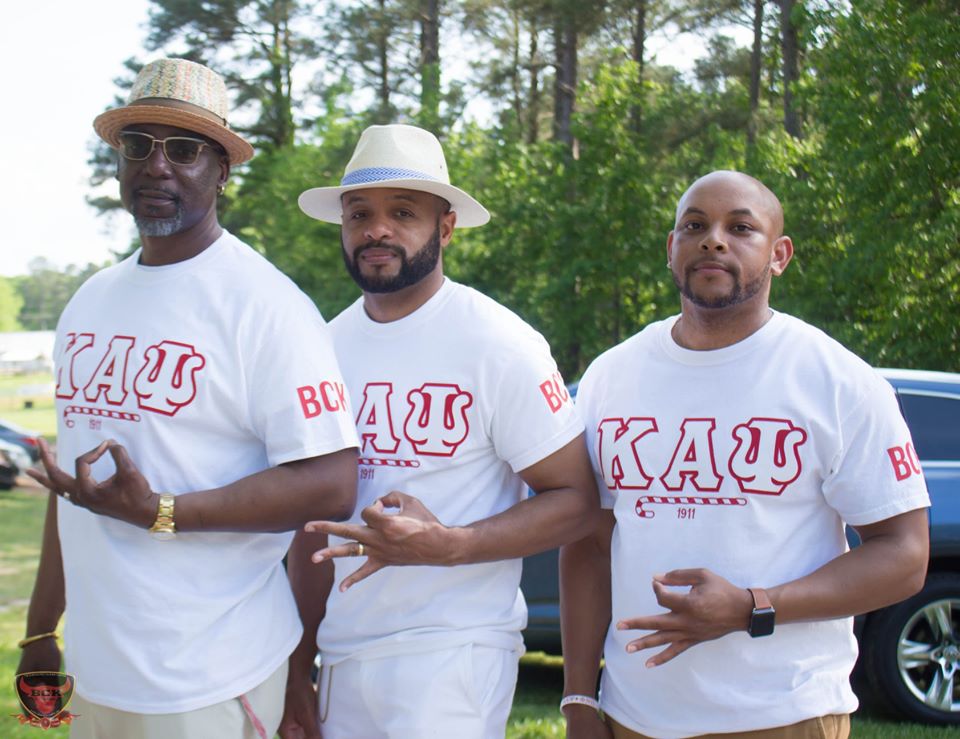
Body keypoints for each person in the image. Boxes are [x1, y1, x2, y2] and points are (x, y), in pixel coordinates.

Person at [17, 58, 360, 739]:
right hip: (96, 670)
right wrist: (39, 630)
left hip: (209, 676)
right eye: (137, 145)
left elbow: (332, 482)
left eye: (183, 149)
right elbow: (74, 488)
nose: (156, 166)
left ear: (222, 169)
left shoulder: (266, 305)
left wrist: (162, 512)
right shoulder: (89, 301)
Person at [560, 170, 931, 739]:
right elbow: (589, 543)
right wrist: (580, 698)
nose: (713, 240)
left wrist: (754, 606)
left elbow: (904, 555)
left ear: (779, 255)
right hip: (634, 716)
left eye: (740, 228)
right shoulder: (611, 376)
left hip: (784, 714)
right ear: (671, 248)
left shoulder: (837, 380)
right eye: (695, 226)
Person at [279, 124, 600, 739]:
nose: (377, 230)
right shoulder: (321, 348)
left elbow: (578, 502)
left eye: (403, 212)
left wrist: (450, 544)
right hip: (342, 654)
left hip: (454, 654)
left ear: (445, 227)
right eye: (359, 213)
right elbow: (312, 524)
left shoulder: (499, 343)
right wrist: (298, 665)